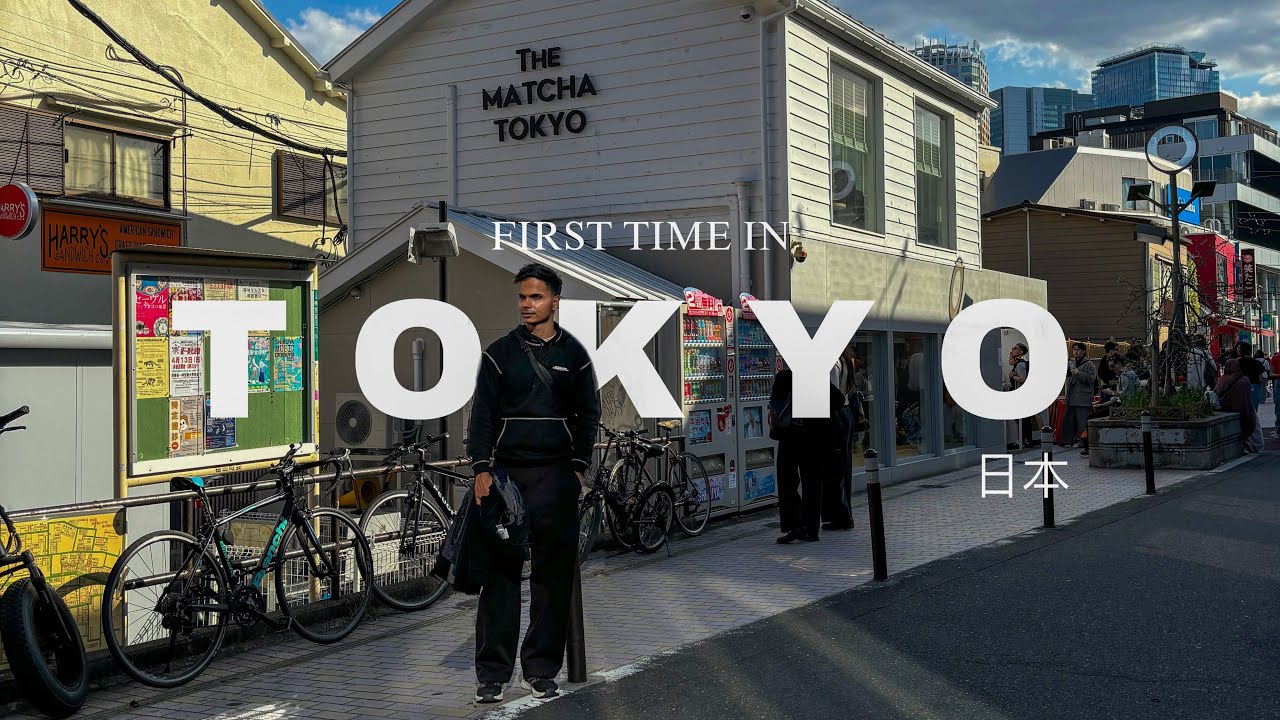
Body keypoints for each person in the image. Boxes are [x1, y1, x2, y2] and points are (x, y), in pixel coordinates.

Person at [466, 263, 601, 703]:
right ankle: (492, 674)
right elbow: (482, 415)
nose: (527, 304)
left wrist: (577, 468)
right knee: (500, 578)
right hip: (505, 478)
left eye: (536, 297)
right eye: (522, 297)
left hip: (556, 477)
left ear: (555, 300)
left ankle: (541, 669)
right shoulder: (499, 354)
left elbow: (589, 415)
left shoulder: (575, 355)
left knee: (553, 578)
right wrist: (481, 469)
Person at [770, 364, 844, 544]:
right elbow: (838, 400)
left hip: (789, 436)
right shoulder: (814, 376)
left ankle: (795, 524)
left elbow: (775, 406)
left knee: (787, 481)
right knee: (813, 483)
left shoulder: (783, 378)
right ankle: (811, 529)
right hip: (814, 437)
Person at [824, 346, 856, 531]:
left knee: (835, 468)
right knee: (844, 467)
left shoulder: (832, 362)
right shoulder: (846, 360)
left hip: (835, 415)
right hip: (846, 413)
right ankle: (845, 514)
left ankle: (842, 517)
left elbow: (832, 393)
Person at [1216, 359, 1260, 453]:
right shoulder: (1245, 379)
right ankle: (1253, 446)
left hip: (1227, 408)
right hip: (1245, 408)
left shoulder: (1223, 380)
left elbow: (1216, 393)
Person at [1060, 342, 1096, 449]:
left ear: (1084, 351)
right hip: (1071, 398)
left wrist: (1077, 373)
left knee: (1082, 422)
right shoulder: (1072, 362)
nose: (1076, 351)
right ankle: (1067, 440)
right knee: (1067, 420)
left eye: (1078, 349)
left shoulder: (1089, 364)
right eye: (1074, 349)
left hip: (1083, 398)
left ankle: (1083, 443)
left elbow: (1091, 379)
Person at [1004, 343, 1036, 447]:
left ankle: (1024, 440)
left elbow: (1023, 379)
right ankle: (1023, 440)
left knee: (1022, 419)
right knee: (1020, 419)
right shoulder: (1018, 364)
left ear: (1021, 352)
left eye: (1015, 349)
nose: (1012, 350)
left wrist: (1012, 376)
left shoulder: (1020, 364)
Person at [1236, 342, 1266, 413]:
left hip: (1241, 386)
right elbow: (1260, 378)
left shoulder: (1237, 362)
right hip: (1254, 386)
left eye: (1239, 348)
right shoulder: (1257, 363)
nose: (1238, 350)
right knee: (1254, 409)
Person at [1270, 348, 1280, 429]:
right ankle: (1278, 426)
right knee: (1278, 404)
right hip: (1278, 382)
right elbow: (1271, 374)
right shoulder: (1275, 358)